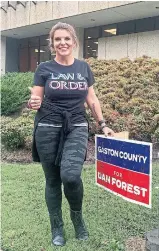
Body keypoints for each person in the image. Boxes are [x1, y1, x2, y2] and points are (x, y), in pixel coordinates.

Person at [28, 22, 114, 247]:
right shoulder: (44, 69)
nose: (62, 43)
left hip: (76, 125)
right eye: (58, 39)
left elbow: (92, 99)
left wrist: (103, 124)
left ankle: (77, 218)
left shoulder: (83, 68)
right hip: (47, 127)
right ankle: (57, 226)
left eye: (66, 38)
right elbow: (35, 100)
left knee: (71, 176)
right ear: (52, 44)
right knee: (53, 180)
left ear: (74, 42)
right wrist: (33, 102)